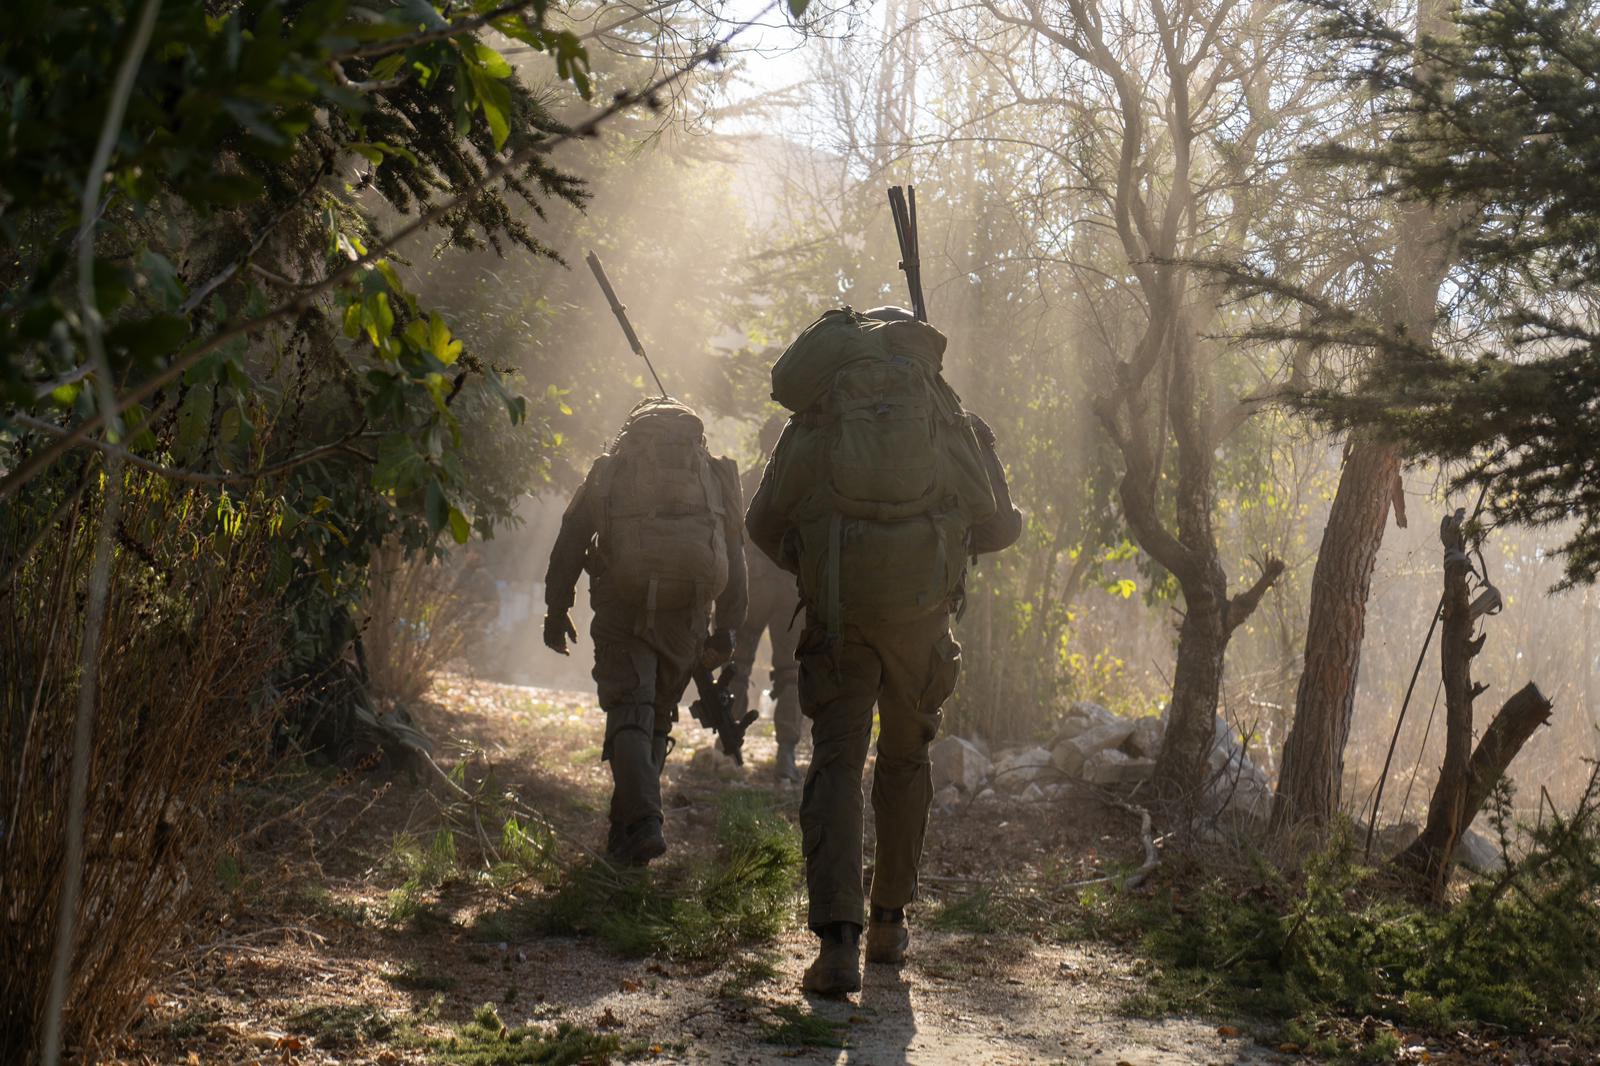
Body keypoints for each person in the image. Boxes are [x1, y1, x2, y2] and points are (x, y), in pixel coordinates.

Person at [746, 305, 1022, 995]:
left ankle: (837, 946)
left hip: (838, 622)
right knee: (905, 760)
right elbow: (1002, 526)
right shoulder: (944, 412)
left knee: (836, 765)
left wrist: (817, 559)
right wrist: (938, 547)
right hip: (922, 625)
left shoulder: (817, 418)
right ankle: (890, 924)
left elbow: (760, 523)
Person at [543, 397, 748, 865]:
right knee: (655, 716)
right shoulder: (714, 476)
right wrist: (727, 631)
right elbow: (736, 558)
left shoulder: (612, 470)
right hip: (690, 615)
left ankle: (642, 822)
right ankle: (626, 841)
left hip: (625, 609)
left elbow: (571, 537)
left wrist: (557, 609)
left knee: (629, 711)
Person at [729, 415, 805, 784]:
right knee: (790, 673)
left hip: (752, 586)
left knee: (739, 662)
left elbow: (731, 539)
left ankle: (730, 745)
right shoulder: (805, 487)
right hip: (792, 590)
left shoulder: (746, 482)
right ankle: (786, 755)